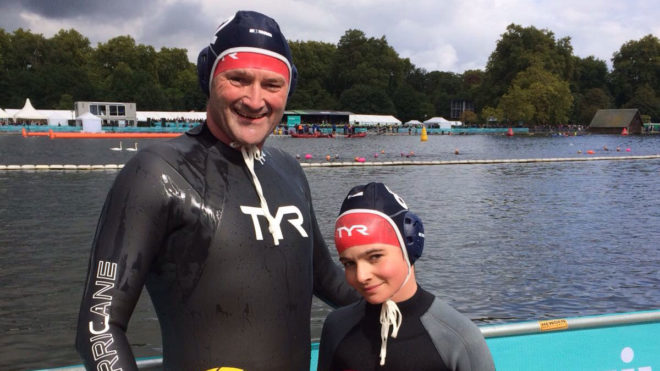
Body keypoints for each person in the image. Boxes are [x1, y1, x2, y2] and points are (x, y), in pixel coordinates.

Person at [76, 10, 358, 371]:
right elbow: (98, 327)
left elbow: (327, 279)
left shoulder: (289, 170)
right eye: (238, 79)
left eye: (272, 85)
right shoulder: (156, 174)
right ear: (208, 78)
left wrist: (403, 299)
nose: (255, 101)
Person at [318, 182, 495, 371]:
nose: (361, 276)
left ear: (410, 247)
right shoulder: (336, 327)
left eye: (375, 257)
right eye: (349, 264)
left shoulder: (459, 339)